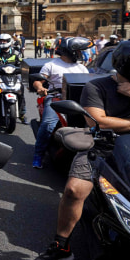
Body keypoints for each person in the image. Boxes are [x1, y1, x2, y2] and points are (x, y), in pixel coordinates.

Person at [36, 39, 130, 260]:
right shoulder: (97, 87)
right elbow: (99, 122)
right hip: (103, 148)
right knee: (74, 190)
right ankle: (61, 245)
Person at [32, 37, 93, 168]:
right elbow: (38, 81)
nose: (80, 54)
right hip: (56, 97)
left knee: (94, 123)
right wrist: (40, 88)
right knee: (48, 124)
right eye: (78, 51)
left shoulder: (81, 68)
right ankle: (38, 154)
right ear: (69, 51)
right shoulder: (51, 65)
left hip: (78, 99)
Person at [0, 34, 26, 123]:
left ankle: (22, 114)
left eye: (4, 41)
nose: (2, 42)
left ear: (9, 41)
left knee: (21, 90)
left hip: (13, 76)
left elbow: (21, 64)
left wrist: (23, 69)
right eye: (0, 41)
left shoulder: (16, 53)